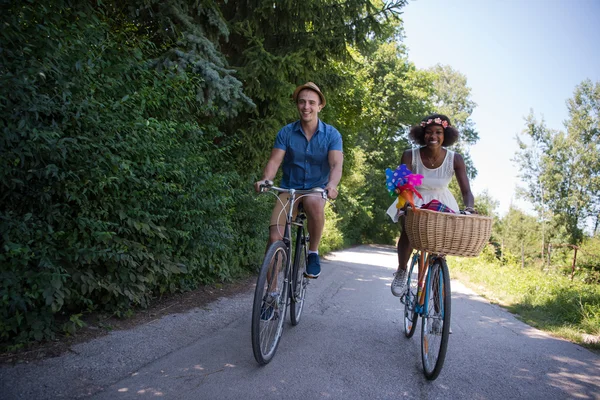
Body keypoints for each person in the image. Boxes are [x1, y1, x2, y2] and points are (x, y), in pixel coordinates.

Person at [254, 82, 343, 279]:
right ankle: (272, 295)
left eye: (312, 102)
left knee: (313, 201)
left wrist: (332, 185)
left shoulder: (332, 135)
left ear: (320, 106)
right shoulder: (286, 132)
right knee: (274, 238)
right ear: (297, 105)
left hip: (315, 189)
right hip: (289, 189)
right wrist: (266, 180)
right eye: (302, 102)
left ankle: (313, 253)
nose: (306, 106)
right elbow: (275, 160)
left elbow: (336, 165)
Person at [387, 113, 476, 296]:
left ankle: (438, 302)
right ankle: (402, 270)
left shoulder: (455, 159)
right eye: (428, 132)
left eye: (438, 132)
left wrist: (469, 208)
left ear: (445, 136)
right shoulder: (409, 155)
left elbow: (466, 192)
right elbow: (404, 184)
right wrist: (407, 205)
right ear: (422, 134)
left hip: (442, 202)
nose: (433, 136)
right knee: (408, 231)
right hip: (414, 198)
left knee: (439, 249)